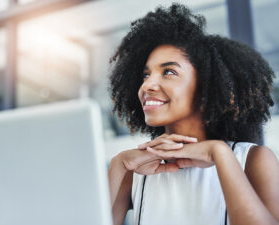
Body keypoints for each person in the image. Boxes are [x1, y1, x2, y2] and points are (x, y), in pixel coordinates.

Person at [108, 3, 279, 225]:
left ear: (208, 85)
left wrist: (219, 153)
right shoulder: (135, 170)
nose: (147, 85)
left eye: (169, 72)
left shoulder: (253, 160)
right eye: (145, 75)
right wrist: (119, 165)